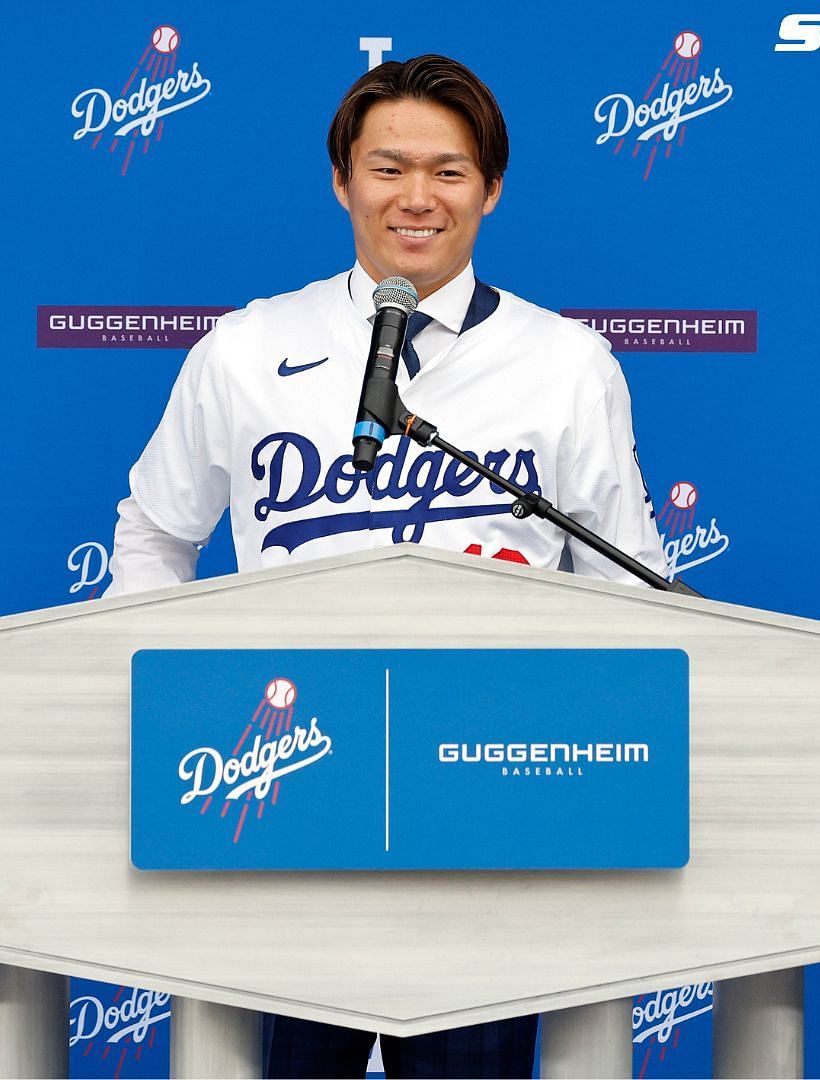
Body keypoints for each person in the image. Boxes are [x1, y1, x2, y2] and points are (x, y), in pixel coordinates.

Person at [103, 55, 667, 1077]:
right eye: (388, 167)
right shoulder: (244, 348)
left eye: (449, 173)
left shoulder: (566, 362)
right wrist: (162, 704)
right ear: (342, 180)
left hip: (487, 799)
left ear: (491, 190)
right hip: (282, 784)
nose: (417, 198)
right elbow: (152, 533)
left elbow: (627, 585)